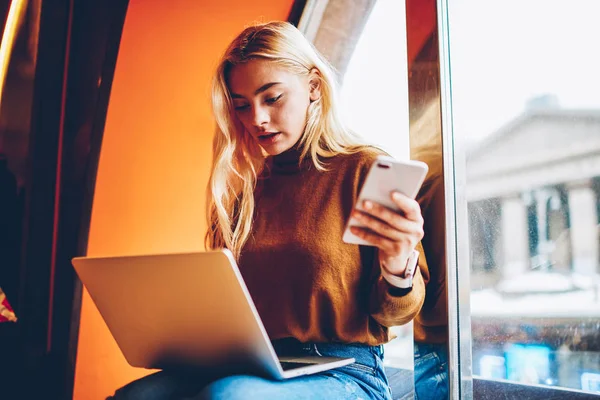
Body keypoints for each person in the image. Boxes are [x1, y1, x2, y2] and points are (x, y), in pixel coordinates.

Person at [110, 21, 427, 400]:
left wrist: (397, 266)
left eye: (272, 98)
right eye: (241, 105)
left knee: (230, 396)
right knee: (136, 397)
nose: (256, 119)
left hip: (347, 371)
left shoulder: (364, 168)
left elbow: (396, 314)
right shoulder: (245, 188)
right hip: (254, 364)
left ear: (312, 86)